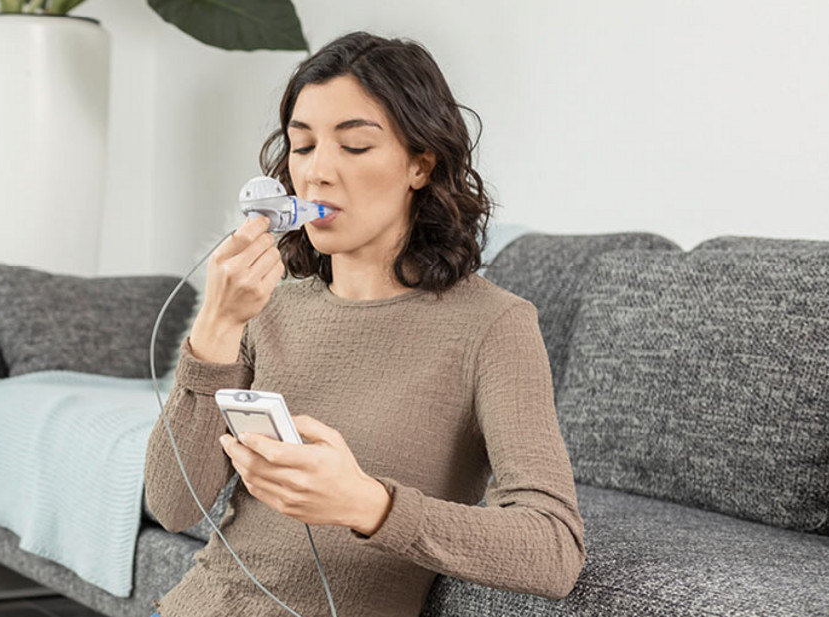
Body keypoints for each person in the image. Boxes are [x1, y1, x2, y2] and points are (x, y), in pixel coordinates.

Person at [142, 31, 587, 617]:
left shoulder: (494, 325)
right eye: (302, 147)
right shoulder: (270, 308)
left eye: (354, 146)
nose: (318, 173)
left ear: (420, 164)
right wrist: (216, 327)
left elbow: (553, 548)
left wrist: (368, 504)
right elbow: (174, 507)